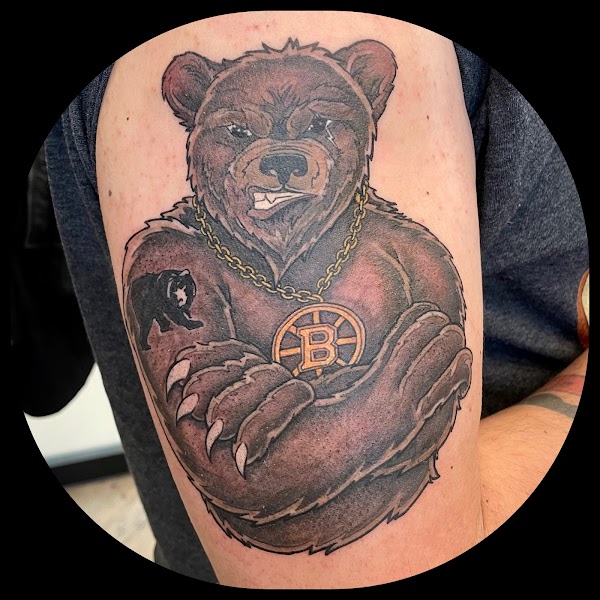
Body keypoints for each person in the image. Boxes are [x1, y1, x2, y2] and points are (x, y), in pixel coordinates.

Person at [41, 13, 588, 587]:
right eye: (239, 132)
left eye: (324, 126)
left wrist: (326, 431)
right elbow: (261, 482)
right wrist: (389, 405)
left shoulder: (410, 254)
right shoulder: (173, 266)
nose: (283, 158)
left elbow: (323, 469)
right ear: (192, 112)